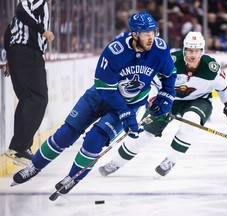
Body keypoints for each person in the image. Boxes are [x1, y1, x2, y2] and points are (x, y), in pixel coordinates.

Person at [12, 12, 177, 195]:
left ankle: (73, 177)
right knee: (65, 135)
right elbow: (105, 88)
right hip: (99, 98)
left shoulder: (160, 49)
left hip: (128, 105)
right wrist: (125, 112)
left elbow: (169, 75)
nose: (151, 38)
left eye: (153, 32)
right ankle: (35, 166)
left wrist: (166, 95)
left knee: (94, 140)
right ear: (134, 34)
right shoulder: (115, 51)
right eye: (146, 33)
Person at [98, 31, 227, 178]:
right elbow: (152, 83)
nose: (193, 55)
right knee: (145, 133)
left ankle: (170, 161)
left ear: (202, 51)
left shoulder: (211, 69)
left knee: (191, 122)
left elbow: (226, 88)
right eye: (190, 50)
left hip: (199, 101)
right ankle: (116, 162)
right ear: (184, 49)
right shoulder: (171, 61)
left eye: (197, 50)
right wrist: (154, 98)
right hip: (168, 98)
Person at [4, 0, 55, 165]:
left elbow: (8, 30)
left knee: (28, 99)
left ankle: (21, 148)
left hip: (20, 54)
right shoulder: (38, 1)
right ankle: (19, 147)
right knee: (38, 99)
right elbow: (21, 9)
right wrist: (43, 31)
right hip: (27, 53)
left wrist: (11, 57)